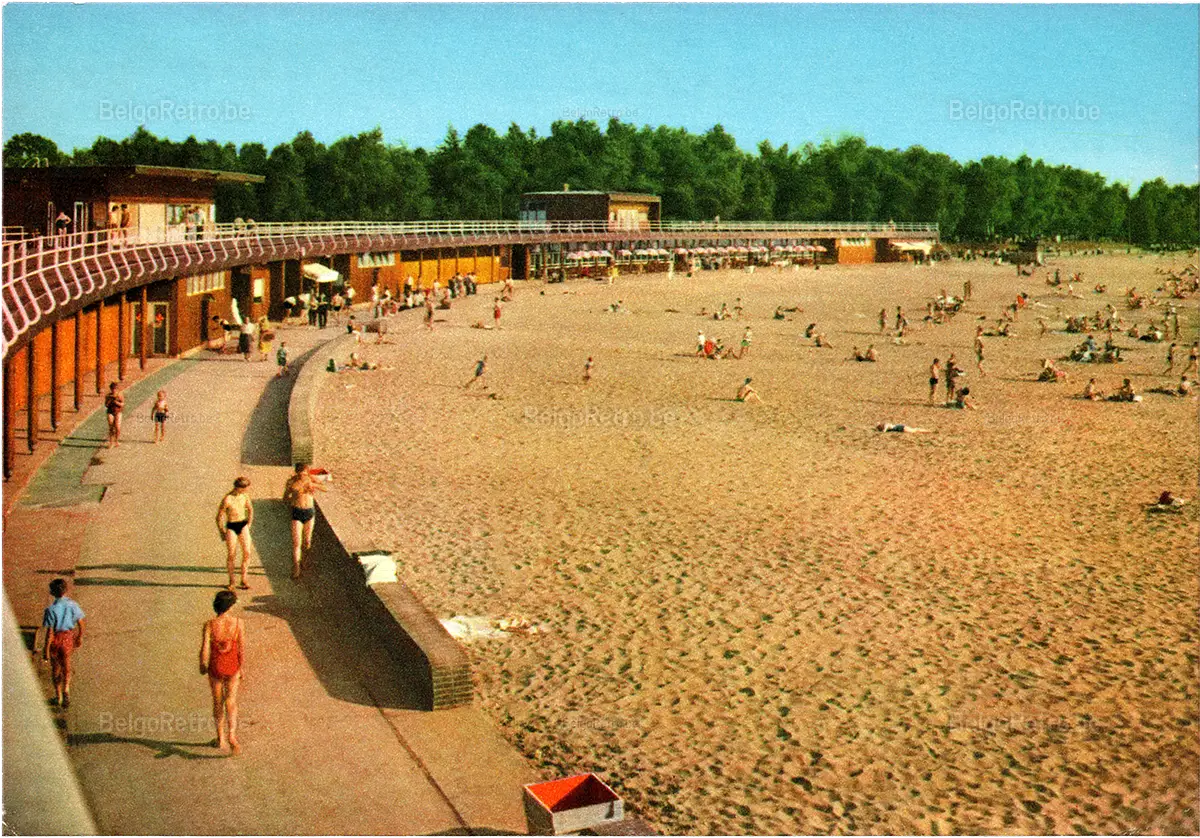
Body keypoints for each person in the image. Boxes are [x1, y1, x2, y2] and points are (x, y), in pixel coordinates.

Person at [199, 589, 244, 755]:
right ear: (230, 606)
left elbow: (204, 648)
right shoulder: (238, 623)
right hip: (232, 666)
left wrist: (202, 664)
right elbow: (241, 648)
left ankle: (220, 739)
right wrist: (242, 668)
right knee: (231, 701)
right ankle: (232, 736)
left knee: (217, 702)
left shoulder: (210, 625)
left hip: (216, 666)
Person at [40, 578, 85, 708]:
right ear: (66, 590)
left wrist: (46, 650)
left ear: (51, 592)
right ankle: (66, 689)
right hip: (67, 638)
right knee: (66, 665)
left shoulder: (50, 610)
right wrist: (79, 637)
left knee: (55, 669)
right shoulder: (73, 605)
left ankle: (58, 696)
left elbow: (49, 633)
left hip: (56, 640)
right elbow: (81, 623)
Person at [284, 463, 325, 579]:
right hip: (297, 512)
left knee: (307, 542)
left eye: (305, 473)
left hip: (309, 512)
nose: (303, 475)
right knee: (297, 542)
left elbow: (325, 488)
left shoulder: (311, 480)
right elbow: (285, 498)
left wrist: (313, 486)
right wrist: (296, 495)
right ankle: (296, 568)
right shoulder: (292, 482)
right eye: (301, 473)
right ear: (297, 473)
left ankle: (304, 562)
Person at [216, 477, 254, 590]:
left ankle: (244, 578)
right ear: (239, 488)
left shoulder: (245, 496)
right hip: (231, 526)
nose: (247, 490)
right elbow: (219, 517)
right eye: (245, 488)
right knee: (232, 554)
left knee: (247, 552)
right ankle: (232, 581)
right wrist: (221, 531)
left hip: (242, 524)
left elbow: (250, 509)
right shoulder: (227, 499)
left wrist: (249, 523)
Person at [104, 382, 124, 448]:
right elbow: (106, 405)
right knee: (111, 427)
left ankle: (116, 440)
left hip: (118, 412)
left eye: (115, 389)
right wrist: (109, 401)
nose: (114, 390)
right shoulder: (108, 396)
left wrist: (116, 402)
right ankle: (111, 442)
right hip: (110, 411)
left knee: (117, 427)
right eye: (112, 389)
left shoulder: (119, 395)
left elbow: (122, 404)